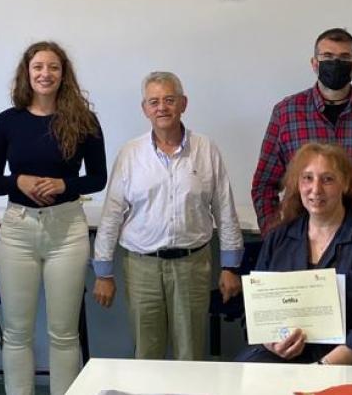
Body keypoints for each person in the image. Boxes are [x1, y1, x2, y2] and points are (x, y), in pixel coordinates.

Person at [0, 41, 107, 395]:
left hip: (66, 228)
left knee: (64, 333)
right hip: (18, 228)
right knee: (17, 331)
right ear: (27, 72)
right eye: (38, 67)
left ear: (63, 73)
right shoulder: (7, 122)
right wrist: (18, 180)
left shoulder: (84, 120)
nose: (45, 74)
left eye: (53, 67)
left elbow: (98, 177)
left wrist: (65, 183)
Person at [92, 71, 243, 360]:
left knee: (190, 352)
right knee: (147, 352)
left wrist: (230, 267)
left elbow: (224, 209)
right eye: (154, 101)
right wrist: (103, 272)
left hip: (192, 265)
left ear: (183, 104)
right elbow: (112, 214)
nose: (162, 107)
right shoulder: (130, 153)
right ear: (145, 109)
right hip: (141, 267)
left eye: (169, 100)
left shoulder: (206, 149)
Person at [236, 142, 352, 365]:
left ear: (344, 184)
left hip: (351, 359)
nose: (316, 189)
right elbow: (256, 311)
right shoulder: (278, 239)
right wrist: (272, 343)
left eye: (327, 179)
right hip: (285, 355)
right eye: (307, 178)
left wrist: (322, 368)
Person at [252, 28, 352, 235]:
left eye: (344, 57)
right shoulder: (286, 113)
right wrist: (275, 236)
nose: (336, 63)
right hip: (303, 243)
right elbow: (264, 184)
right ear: (315, 64)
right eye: (328, 57)